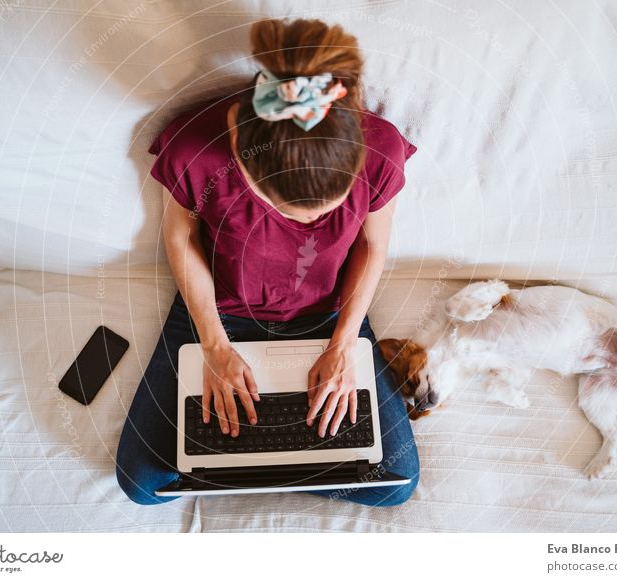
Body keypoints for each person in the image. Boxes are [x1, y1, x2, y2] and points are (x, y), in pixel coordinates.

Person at [116, 17, 419, 506]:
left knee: (395, 484)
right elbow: (180, 239)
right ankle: (274, 467)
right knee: (143, 486)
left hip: (328, 314)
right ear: (238, 139)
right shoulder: (196, 147)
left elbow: (372, 247)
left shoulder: (380, 149)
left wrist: (343, 346)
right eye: (284, 209)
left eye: (326, 211)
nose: (311, 224)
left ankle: (251, 469)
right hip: (222, 308)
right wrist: (214, 347)